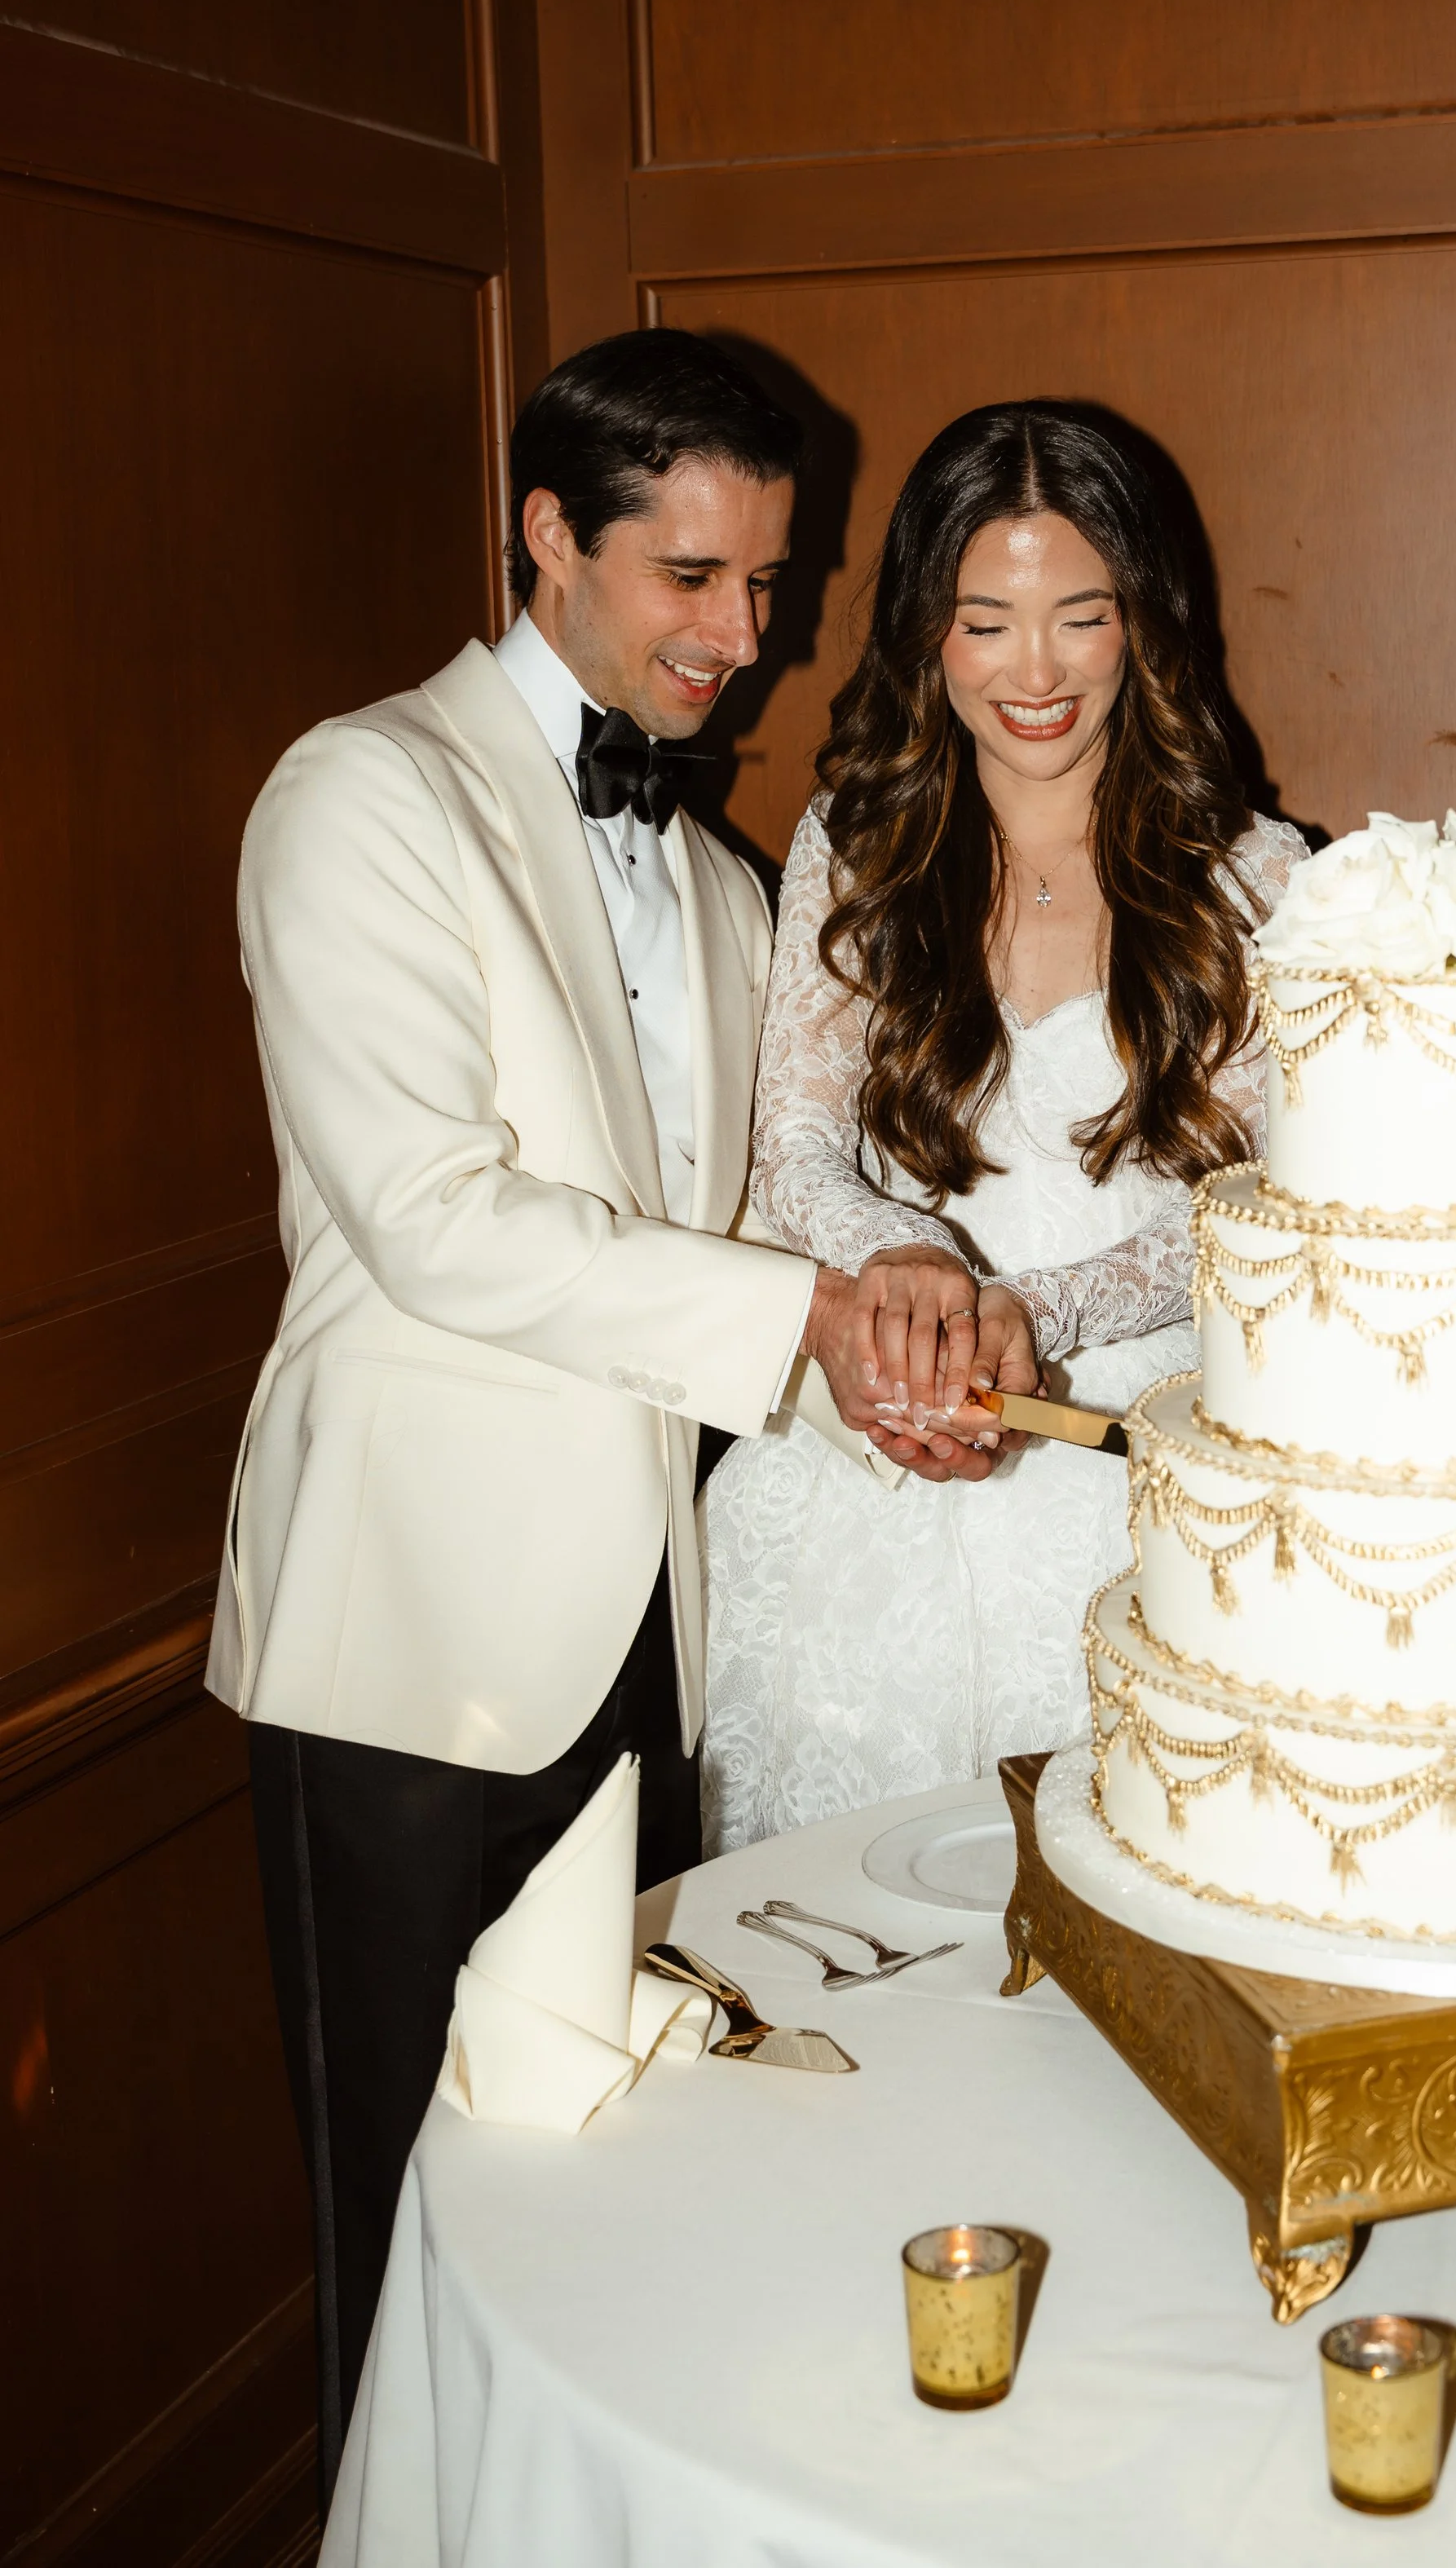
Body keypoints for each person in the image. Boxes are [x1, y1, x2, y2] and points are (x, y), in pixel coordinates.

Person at [210, 329, 1035, 2504]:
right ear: (545, 537)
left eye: (765, 584)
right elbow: (437, 1222)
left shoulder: (728, 885)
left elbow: (734, 1255)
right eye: (689, 577)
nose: (740, 638)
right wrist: (813, 1318)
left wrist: (887, 1392)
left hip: (644, 1650)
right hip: (402, 1648)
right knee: (403, 2231)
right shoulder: (361, 795)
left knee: (600, 2214)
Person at [701, 401, 1306, 1848]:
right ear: (928, 630)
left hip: (1130, 1486)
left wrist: (1036, 1310)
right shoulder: (853, 846)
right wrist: (912, 1276)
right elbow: (794, 1148)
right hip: (867, 1462)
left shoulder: (1261, 877)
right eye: (986, 624)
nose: (1036, 673)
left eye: (1080, 618)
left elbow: (1254, 1209)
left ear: (1142, 622)